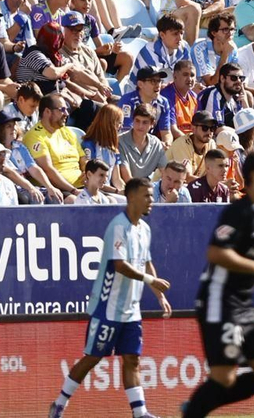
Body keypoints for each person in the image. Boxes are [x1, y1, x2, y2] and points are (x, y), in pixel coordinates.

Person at [50, 176, 172, 418]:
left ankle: (140, 413)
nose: (151, 201)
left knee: (132, 359)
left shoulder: (144, 229)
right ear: (132, 197)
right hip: (108, 307)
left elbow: (147, 264)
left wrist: (159, 296)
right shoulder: (118, 225)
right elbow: (120, 265)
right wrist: (151, 282)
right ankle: (59, 404)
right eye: (147, 196)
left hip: (131, 309)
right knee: (93, 358)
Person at [184, 149, 254, 418]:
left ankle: (197, 408)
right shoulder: (238, 211)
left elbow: (243, 255)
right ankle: (195, 410)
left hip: (244, 304)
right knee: (224, 377)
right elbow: (217, 252)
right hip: (220, 300)